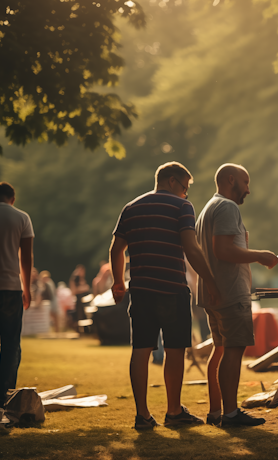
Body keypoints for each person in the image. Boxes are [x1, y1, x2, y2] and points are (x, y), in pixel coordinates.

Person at [110, 161, 222, 430]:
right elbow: (191, 248)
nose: (186, 194)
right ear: (172, 181)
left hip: (141, 291)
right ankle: (173, 412)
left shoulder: (131, 207)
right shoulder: (181, 207)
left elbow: (116, 249)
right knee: (175, 351)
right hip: (172, 290)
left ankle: (143, 415)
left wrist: (118, 283)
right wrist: (210, 280)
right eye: (185, 188)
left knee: (141, 350)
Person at [196, 163, 278, 427]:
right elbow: (223, 250)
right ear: (231, 180)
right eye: (246, 182)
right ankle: (230, 415)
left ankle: (216, 412)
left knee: (220, 350)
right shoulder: (227, 207)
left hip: (213, 293)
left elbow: (220, 248)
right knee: (233, 351)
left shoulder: (208, 208)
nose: (248, 190)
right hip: (230, 291)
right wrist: (260, 255)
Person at [0, 182, 34, 414]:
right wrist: (27, 287)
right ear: (12, 199)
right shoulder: (21, 217)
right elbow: (26, 257)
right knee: (10, 346)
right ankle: (4, 401)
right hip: (10, 288)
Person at [69, 264, 90, 329]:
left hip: (84, 301)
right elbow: (73, 291)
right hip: (78, 301)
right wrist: (84, 288)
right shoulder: (75, 279)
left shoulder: (82, 279)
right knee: (78, 316)